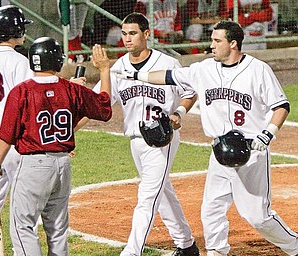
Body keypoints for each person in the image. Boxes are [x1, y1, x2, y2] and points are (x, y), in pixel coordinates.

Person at [116, 20, 298, 256]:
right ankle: (216, 251)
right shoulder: (204, 70)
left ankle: (294, 246)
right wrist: (137, 74)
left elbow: (281, 105)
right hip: (219, 151)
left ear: (233, 44)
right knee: (211, 210)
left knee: (258, 216)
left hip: (251, 152)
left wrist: (267, 134)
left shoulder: (258, 69)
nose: (211, 45)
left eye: (216, 41)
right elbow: (170, 76)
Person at [76, 12, 200, 256]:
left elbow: (190, 92)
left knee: (147, 197)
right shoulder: (117, 68)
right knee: (162, 192)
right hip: (135, 139)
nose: (127, 39)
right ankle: (186, 246)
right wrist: (70, 134)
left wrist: (179, 113)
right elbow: (97, 106)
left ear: (146, 34)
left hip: (162, 138)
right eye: (124, 34)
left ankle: (131, 252)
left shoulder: (167, 63)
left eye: (132, 34)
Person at [0, 38, 112, 255]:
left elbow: (7, 135)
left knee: (22, 227)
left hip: (34, 167)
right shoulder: (72, 89)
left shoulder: (22, 91)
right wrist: (104, 71)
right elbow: (104, 109)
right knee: (57, 229)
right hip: (63, 165)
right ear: (57, 60)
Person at [0, 5, 33, 255]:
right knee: (23, 203)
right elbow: (28, 104)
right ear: (16, 30)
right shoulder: (19, 62)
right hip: (10, 141)